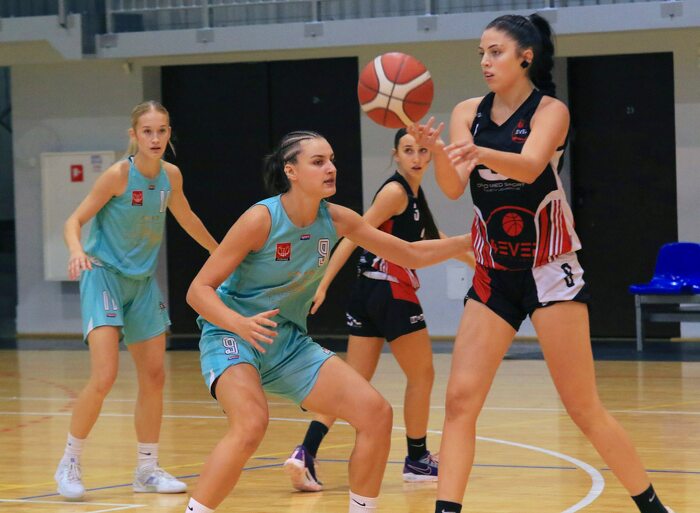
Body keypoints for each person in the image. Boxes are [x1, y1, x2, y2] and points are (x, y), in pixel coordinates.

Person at [408, 13, 674, 513]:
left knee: (583, 408)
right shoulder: (467, 112)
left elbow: (530, 166)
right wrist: (437, 152)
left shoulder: (551, 111)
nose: (485, 62)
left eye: (496, 52)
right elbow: (452, 188)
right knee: (460, 402)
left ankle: (654, 507)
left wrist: (473, 150)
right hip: (493, 273)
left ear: (525, 57)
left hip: (550, 270)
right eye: (482, 53)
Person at [184, 130, 471, 513]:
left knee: (376, 414)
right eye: (318, 162)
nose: (330, 168)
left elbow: (409, 254)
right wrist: (239, 323)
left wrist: (468, 241)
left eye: (332, 160)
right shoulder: (260, 219)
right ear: (291, 171)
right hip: (231, 333)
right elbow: (198, 290)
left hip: (287, 342)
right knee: (251, 424)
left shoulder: (337, 219)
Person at [284, 128, 475, 492]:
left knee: (354, 382)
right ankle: (417, 459)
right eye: (408, 150)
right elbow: (353, 234)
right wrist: (322, 283)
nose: (416, 157)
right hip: (390, 289)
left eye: (422, 150)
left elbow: (434, 240)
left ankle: (305, 451)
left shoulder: (414, 195)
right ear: (395, 155)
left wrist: (479, 265)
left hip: (367, 292)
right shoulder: (394, 192)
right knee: (422, 375)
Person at [54, 101, 218, 500]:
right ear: (134, 135)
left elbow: (188, 218)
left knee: (155, 376)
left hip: (142, 283)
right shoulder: (118, 175)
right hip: (104, 276)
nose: (155, 138)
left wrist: (219, 254)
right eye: (148, 131)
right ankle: (69, 461)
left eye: (162, 130)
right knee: (105, 376)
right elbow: (73, 220)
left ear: (169, 133)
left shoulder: (170, 176)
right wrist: (76, 250)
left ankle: (146, 469)